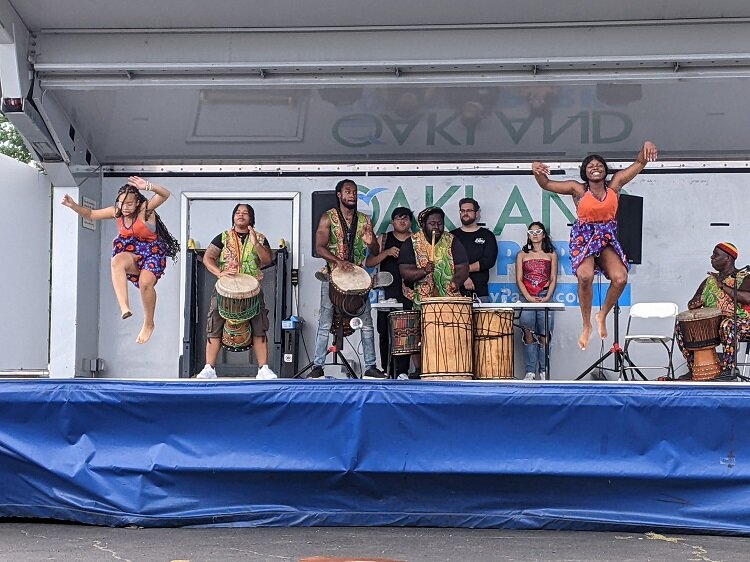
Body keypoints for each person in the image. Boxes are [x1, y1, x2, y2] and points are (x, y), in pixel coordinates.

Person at [531, 141, 658, 350]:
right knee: (585, 277)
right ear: (585, 172)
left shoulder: (614, 185)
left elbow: (639, 163)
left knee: (620, 278)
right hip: (584, 237)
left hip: (606, 237)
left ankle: (602, 314)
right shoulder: (577, 189)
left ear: (605, 170)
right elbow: (546, 184)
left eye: (599, 165)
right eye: (590, 166)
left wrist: (646, 147)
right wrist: (536, 168)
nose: (595, 167)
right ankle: (586, 324)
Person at [61, 176, 179, 344]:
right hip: (131, 252)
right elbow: (91, 214)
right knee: (116, 261)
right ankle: (124, 307)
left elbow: (165, 194)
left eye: (129, 204)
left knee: (145, 283)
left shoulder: (145, 210)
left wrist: (148, 186)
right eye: (121, 203)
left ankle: (148, 323)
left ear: (137, 203)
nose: (124, 207)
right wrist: (73, 205)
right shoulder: (116, 212)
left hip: (152, 253)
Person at [311, 179, 385, 379]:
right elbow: (319, 247)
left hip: (358, 278)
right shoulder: (328, 217)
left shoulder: (364, 220)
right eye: (348, 191)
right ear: (339, 195)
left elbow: (375, 251)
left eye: (354, 192)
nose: (352, 195)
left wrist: (371, 242)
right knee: (325, 323)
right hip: (332, 276)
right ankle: (318, 366)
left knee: (367, 323)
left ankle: (370, 367)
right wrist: (338, 261)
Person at [195, 204, 277, 380]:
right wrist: (219, 272)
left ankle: (263, 369)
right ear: (233, 217)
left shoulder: (260, 238)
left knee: (260, 327)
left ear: (251, 218)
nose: (241, 215)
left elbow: (267, 260)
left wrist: (255, 243)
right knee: (214, 325)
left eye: (245, 213)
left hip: (252, 291)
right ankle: (209, 368)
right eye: (238, 212)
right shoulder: (223, 237)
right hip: (224, 290)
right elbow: (208, 257)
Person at [676, 243, 750, 378]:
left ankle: (729, 369)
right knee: (681, 326)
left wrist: (723, 286)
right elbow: (694, 300)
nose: (712, 257)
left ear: (728, 258)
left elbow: (747, 298)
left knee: (727, 325)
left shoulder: (744, 276)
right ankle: (694, 367)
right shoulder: (709, 280)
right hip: (715, 325)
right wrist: (694, 305)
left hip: (743, 323)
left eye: (716, 255)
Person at [365, 207, 414, 377]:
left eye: (405, 218)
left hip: (409, 291)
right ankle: (386, 369)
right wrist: (386, 253)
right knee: (384, 330)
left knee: (406, 331)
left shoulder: (416, 239)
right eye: (399, 218)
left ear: (410, 222)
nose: (402, 221)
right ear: (392, 222)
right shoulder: (384, 238)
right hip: (386, 292)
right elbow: (369, 262)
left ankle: (403, 371)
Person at [399, 207, 470, 309]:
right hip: (421, 302)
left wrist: (457, 281)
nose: (436, 227)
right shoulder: (411, 242)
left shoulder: (452, 241)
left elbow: (463, 267)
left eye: (440, 223)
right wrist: (424, 271)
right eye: (432, 223)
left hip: (449, 301)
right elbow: (405, 272)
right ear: (423, 225)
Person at [515, 222, 558, 380]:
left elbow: (553, 278)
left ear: (543, 235)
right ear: (528, 235)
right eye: (531, 232)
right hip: (526, 296)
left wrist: (547, 297)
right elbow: (519, 279)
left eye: (538, 231)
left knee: (545, 334)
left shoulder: (551, 254)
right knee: (528, 332)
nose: (535, 234)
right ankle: (530, 371)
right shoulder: (522, 254)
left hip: (545, 295)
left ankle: (544, 371)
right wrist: (528, 297)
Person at [450, 197, 498, 302]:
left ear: (477, 213)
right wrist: (464, 278)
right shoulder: (451, 236)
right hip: (455, 293)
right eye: (462, 211)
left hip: (480, 293)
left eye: (469, 210)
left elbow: (488, 261)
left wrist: (464, 271)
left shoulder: (487, 235)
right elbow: (447, 261)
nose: (465, 213)